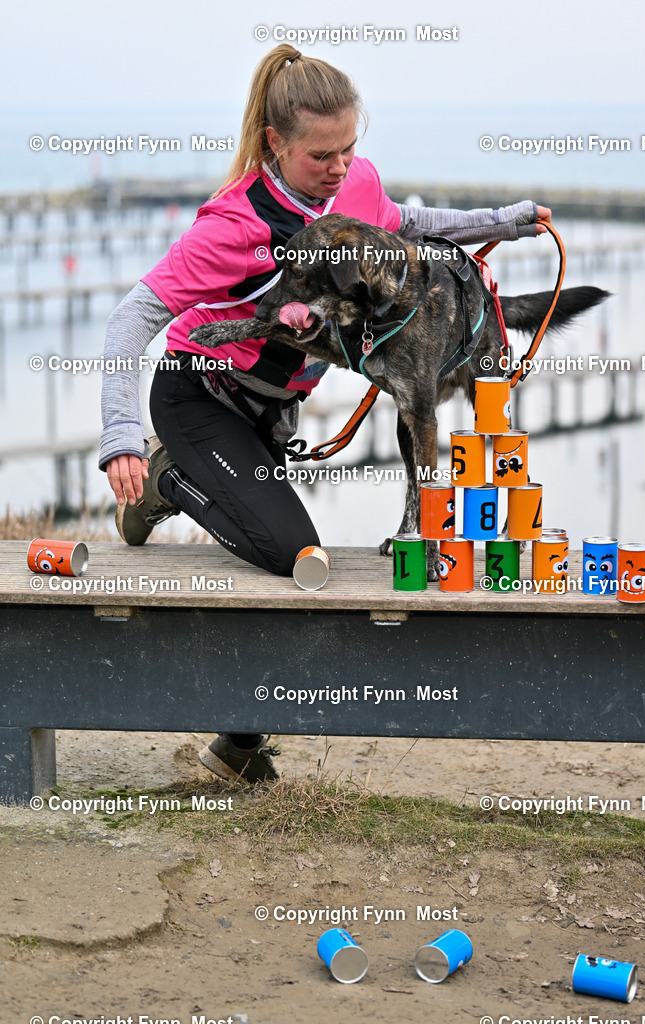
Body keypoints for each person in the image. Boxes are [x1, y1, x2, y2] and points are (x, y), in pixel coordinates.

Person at [100, 44, 551, 785]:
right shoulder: (232, 226)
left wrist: (502, 221)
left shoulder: (356, 183)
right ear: (275, 143)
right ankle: (165, 478)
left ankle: (234, 748)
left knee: (291, 569)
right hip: (199, 396)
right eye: (321, 156)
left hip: (269, 415)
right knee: (296, 557)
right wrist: (119, 433)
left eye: (348, 149)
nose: (341, 167)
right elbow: (132, 318)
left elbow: (409, 223)